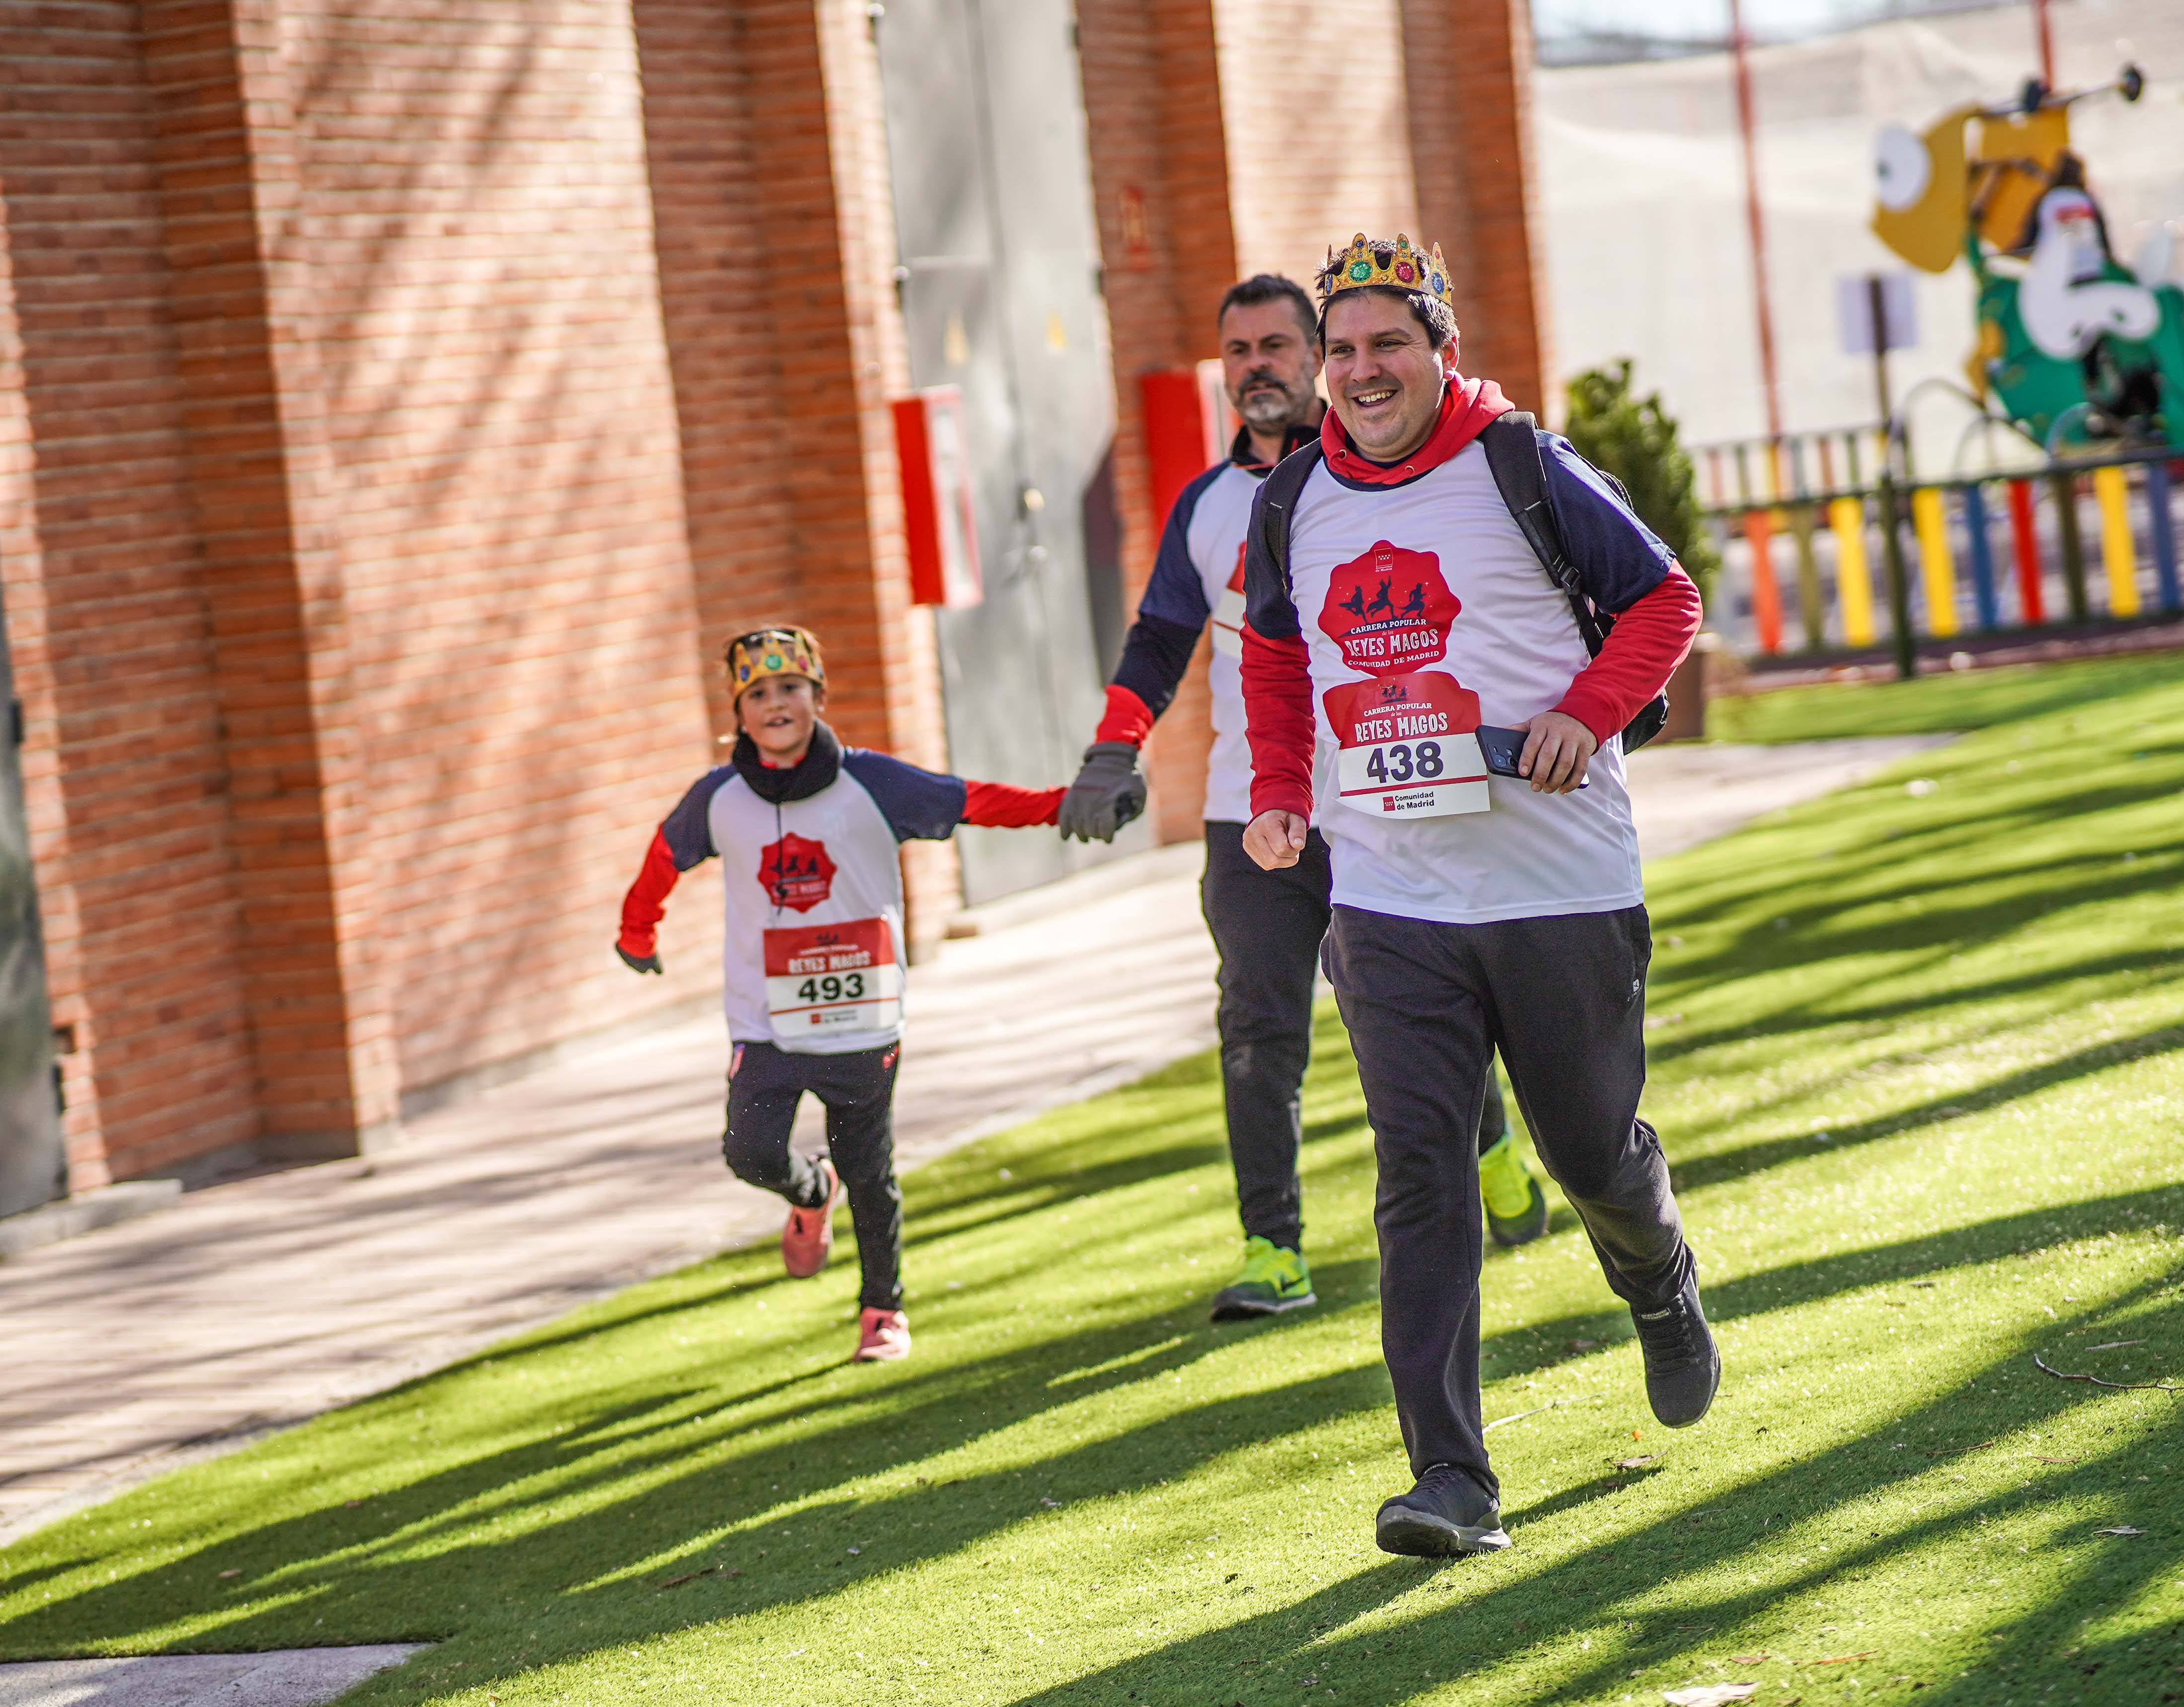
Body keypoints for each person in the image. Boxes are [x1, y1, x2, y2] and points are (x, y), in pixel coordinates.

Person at [1237, 234, 1715, 1557]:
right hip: (1390, 895)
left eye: (1390, 343)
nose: (1363, 370)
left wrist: (1585, 712)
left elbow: (1665, 599)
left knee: (1589, 1150)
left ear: (1441, 350)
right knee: (1421, 1175)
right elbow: (1275, 659)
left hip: (1558, 882)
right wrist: (1280, 791)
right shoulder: (1295, 501)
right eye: (1341, 349)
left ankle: (1658, 1279)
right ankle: (1449, 1476)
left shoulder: (1522, 465)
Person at [1057, 275, 1551, 1325]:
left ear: (1318, 359)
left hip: (1388, 787)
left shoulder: (1386, 481)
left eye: (1277, 345)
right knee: (1257, 1021)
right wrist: (1111, 750)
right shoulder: (1206, 506)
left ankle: (1490, 1145)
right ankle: (1272, 1248)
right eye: (1237, 351)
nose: (1256, 368)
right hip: (1252, 808)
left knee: (1420, 1004)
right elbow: (1159, 639)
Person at [616, 627, 1064, 1363]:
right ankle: (808, 1193)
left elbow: (970, 801)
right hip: (765, 1024)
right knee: (750, 1152)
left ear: (818, 697)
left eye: (791, 688)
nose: (776, 704)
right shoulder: (718, 797)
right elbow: (665, 855)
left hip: (862, 1017)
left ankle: (883, 1312)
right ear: (739, 712)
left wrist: (1064, 806)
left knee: (870, 1172)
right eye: (758, 693)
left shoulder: (873, 783)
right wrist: (637, 932)